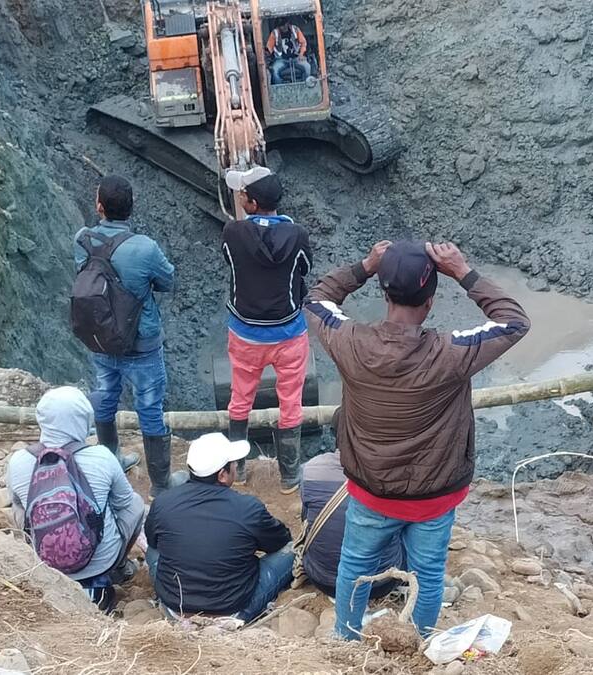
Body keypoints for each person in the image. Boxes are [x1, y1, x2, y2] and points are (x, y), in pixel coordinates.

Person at [303, 240, 530, 639]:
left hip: (370, 490)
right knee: (427, 573)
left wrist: (364, 265)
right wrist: (463, 271)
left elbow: (317, 298)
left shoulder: (349, 341)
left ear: (384, 292)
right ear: (430, 301)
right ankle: (420, 640)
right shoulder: (452, 352)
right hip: (434, 495)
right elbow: (513, 321)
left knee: (355, 564)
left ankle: (347, 638)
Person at [74, 176, 176, 494]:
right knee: (149, 406)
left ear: (99, 207)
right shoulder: (145, 248)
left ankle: (111, 461)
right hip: (141, 342)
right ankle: (160, 484)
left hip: (101, 336)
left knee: (104, 397)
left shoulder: (82, 240)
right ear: (131, 209)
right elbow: (168, 281)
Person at [7, 387, 146, 613]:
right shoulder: (101, 456)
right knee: (136, 503)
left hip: (47, 560)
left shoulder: (19, 461)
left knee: (18, 506)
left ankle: (39, 558)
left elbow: (19, 508)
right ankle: (118, 567)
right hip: (98, 563)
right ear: (83, 419)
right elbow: (125, 504)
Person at [221, 167, 312, 492]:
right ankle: (289, 477)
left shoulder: (233, 232)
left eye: (243, 193)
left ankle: (238, 470)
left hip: (245, 333)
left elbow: (230, 262)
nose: (240, 197)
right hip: (288, 333)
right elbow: (304, 269)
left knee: (240, 400)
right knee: (291, 402)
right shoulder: (297, 234)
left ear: (254, 202)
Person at [143, 432, 294, 624]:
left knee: (153, 550)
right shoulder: (247, 508)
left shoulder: (163, 502)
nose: (236, 467)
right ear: (222, 475)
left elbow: (153, 541)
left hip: (175, 607)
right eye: (233, 464)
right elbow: (281, 541)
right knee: (291, 552)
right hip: (233, 609)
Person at [298, 410, 405, 600]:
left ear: (333, 434)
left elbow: (306, 517)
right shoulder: (393, 474)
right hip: (380, 584)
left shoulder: (311, 470)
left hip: (323, 580)